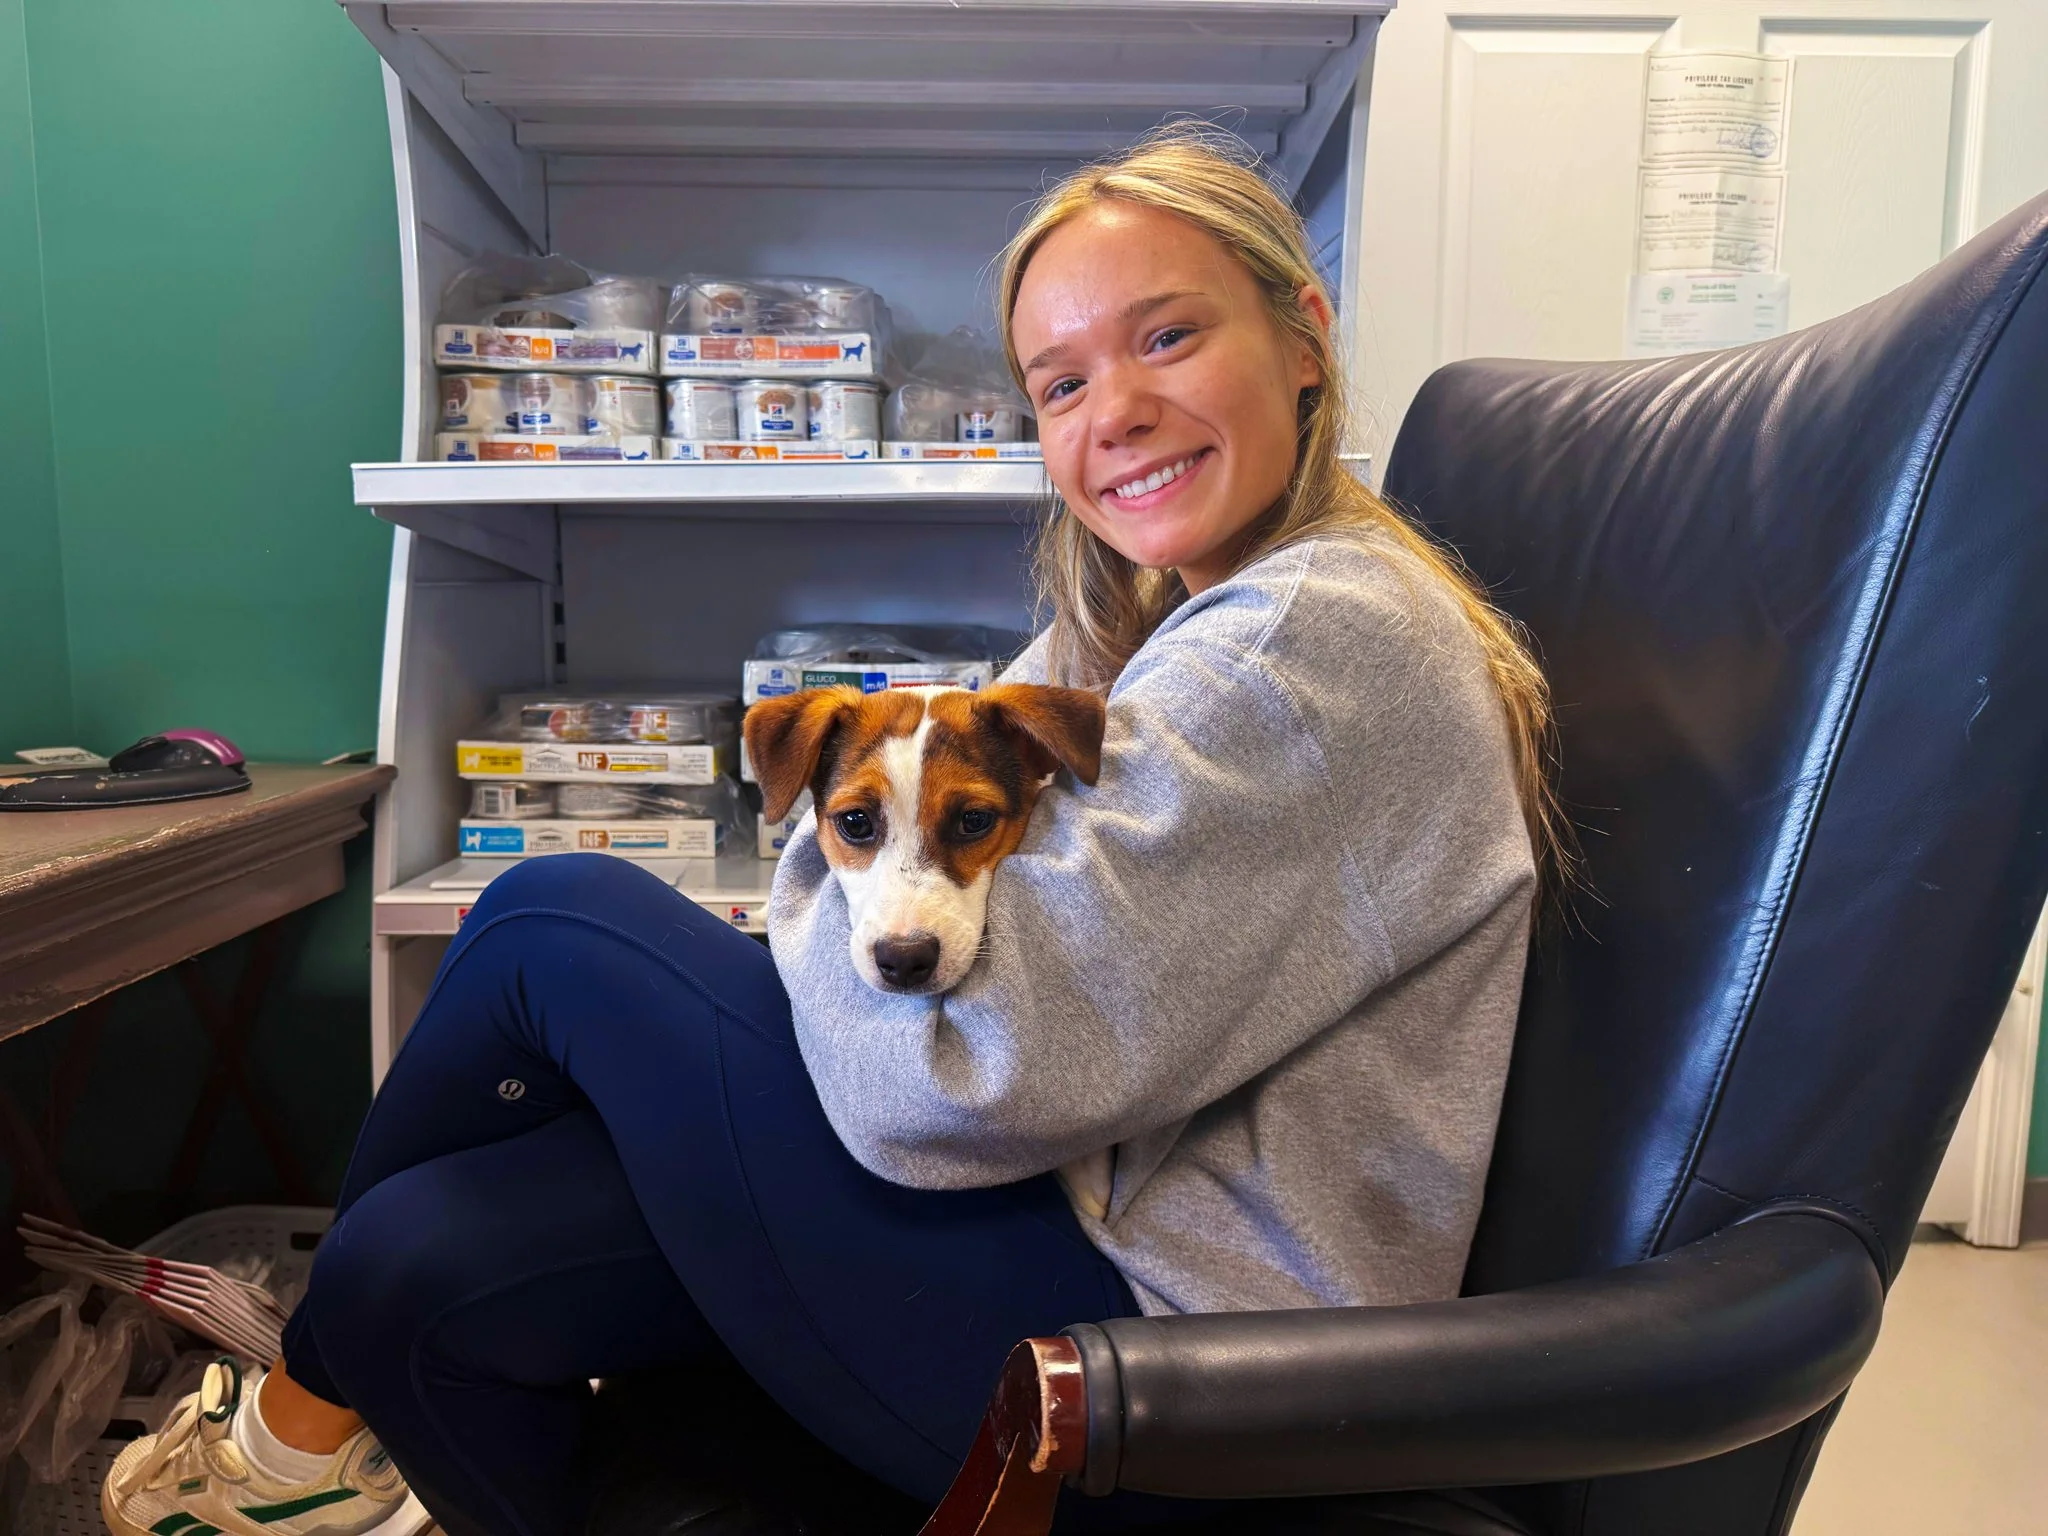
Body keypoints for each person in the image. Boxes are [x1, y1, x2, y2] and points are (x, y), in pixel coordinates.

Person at [102, 128, 1557, 1536]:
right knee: (412, 1262)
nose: (1109, 411)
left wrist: (824, 845)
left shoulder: (1305, 643)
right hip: (1116, 1272)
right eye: (1059, 383)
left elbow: (958, 1087)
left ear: (1305, 334)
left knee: (553, 919)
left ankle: (283, 1429)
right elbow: (962, 902)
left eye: (1167, 338)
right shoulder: (1171, 622)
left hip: (1175, 1369)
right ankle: (305, 1440)